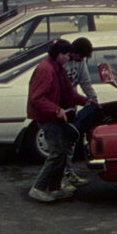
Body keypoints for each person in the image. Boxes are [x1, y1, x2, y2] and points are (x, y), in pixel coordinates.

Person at [26, 39, 87, 202]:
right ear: (59, 54)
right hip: (47, 117)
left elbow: (68, 92)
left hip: (54, 116)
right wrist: (57, 110)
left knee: (61, 151)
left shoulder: (57, 67)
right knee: (57, 152)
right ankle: (39, 187)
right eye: (66, 55)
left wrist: (86, 101)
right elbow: (37, 98)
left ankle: (54, 188)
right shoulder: (46, 70)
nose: (69, 58)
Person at [63, 37, 101, 187]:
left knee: (70, 143)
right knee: (60, 146)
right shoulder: (62, 61)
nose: (81, 60)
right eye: (81, 56)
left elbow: (85, 81)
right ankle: (60, 178)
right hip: (59, 108)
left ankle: (68, 174)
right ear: (74, 52)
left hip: (72, 106)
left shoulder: (81, 61)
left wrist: (93, 100)